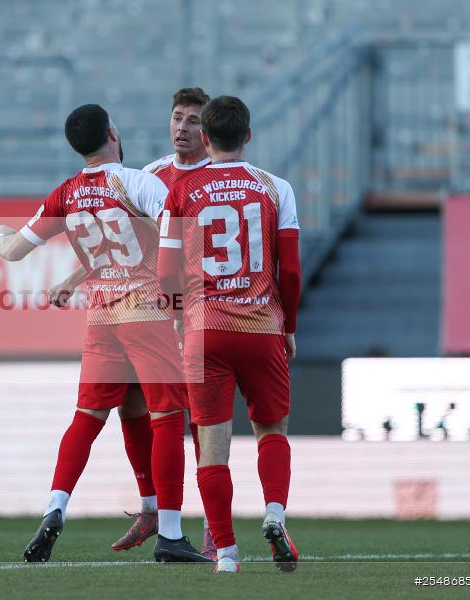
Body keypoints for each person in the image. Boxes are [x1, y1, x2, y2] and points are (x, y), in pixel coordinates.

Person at [0, 104, 209, 564]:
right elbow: (174, 227)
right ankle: (170, 533)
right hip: (146, 311)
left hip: (101, 318)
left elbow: (12, 252)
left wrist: (0, 238)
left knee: (88, 417)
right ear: (113, 132)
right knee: (168, 416)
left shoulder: (65, 195)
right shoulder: (136, 182)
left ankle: (56, 507)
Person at [157, 95, 302, 573]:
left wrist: (179, 316)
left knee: (211, 443)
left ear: (205, 137)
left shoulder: (180, 191)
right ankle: (275, 515)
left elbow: (165, 272)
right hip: (261, 326)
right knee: (271, 429)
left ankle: (226, 553)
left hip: (205, 330)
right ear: (249, 135)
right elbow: (293, 270)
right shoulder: (274, 187)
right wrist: (289, 326)